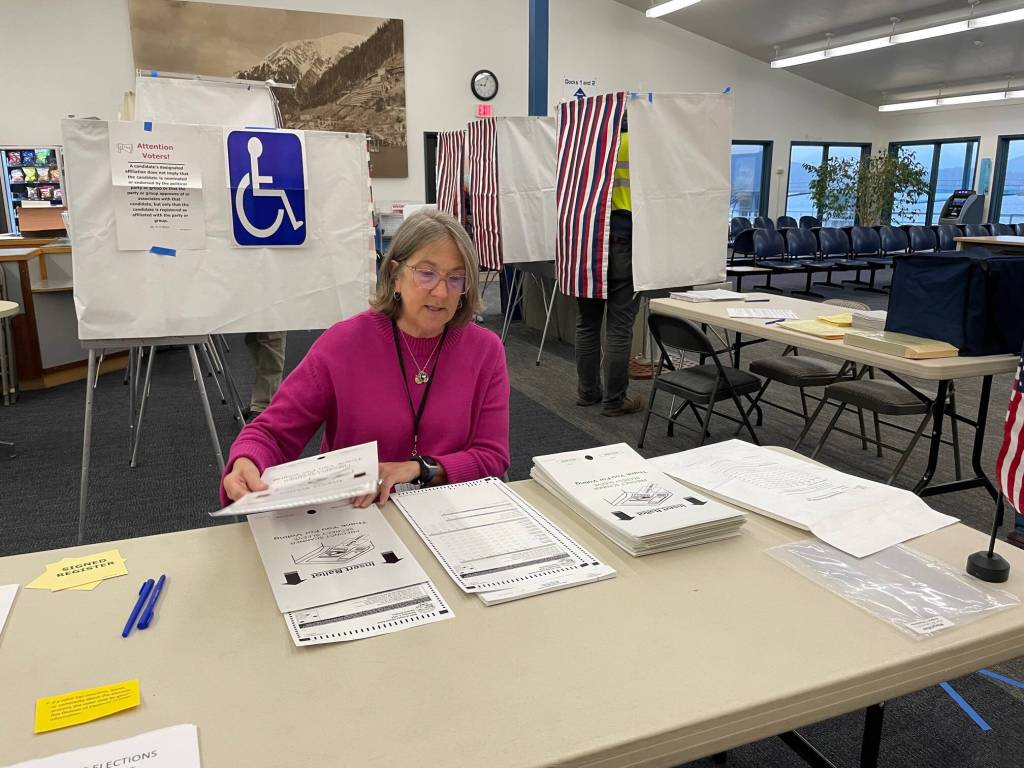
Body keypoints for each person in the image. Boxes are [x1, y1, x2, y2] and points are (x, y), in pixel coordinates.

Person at [221, 209, 510, 507]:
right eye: (427, 274)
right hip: (362, 515)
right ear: (395, 275)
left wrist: (416, 469)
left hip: (451, 512)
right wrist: (247, 459)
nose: (440, 292)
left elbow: (492, 457)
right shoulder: (344, 344)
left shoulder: (485, 350)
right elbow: (272, 433)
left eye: (455, 278)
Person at [574, 112, 643, 417]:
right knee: (618, 323)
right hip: (623, 234)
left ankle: (588, 393)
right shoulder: (638, 145)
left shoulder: (586, 143)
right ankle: (614, 400)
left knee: (587, 323)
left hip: (585, 236)